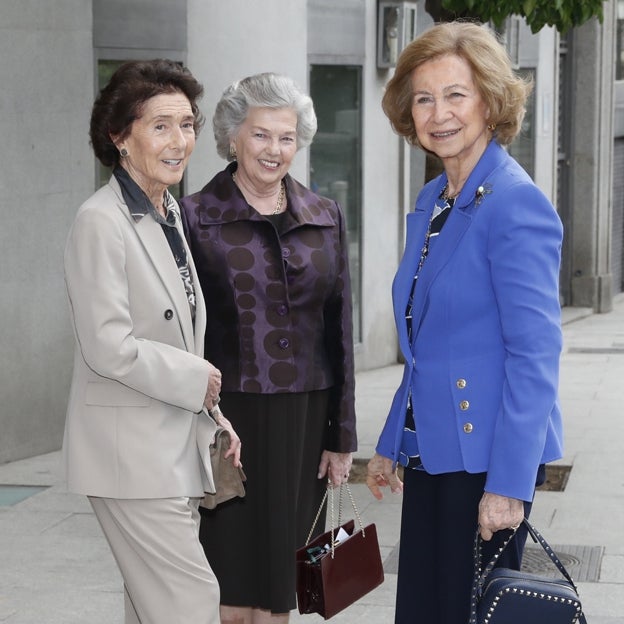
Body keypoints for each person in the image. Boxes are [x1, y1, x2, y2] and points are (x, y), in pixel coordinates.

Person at [366, 21, 564, 624]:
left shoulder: (513, 201)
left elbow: (535, 355)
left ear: (490, 101)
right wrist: (392, 440)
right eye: (423, 98)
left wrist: (508, 485)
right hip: (433, 455)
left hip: (485, 459)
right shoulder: (435, 201)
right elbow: (430, 337)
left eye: (456, 94)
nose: (439, 113)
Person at [62, 59, 241, 624]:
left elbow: (176, 332)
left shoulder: (166, 213)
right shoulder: (100, 220)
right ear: (120, 136)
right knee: (189, 603)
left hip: (166, 446)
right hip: (130, 455)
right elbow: (107, 344)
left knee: (152, 609)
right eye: (160, 125)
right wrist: (198, 380)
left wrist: (213, 414)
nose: (180, 140)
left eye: (187, 124)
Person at [180, 72, 357, 624]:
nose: (274, 150)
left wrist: (342, 437)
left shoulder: (325, 216)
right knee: (227, 577)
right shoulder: (193, 218)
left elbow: (339, 331)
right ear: (234, 137)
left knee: (287, 579)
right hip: (226, 419)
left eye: (286, 137)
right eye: (260, 135)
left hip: (306, 421)